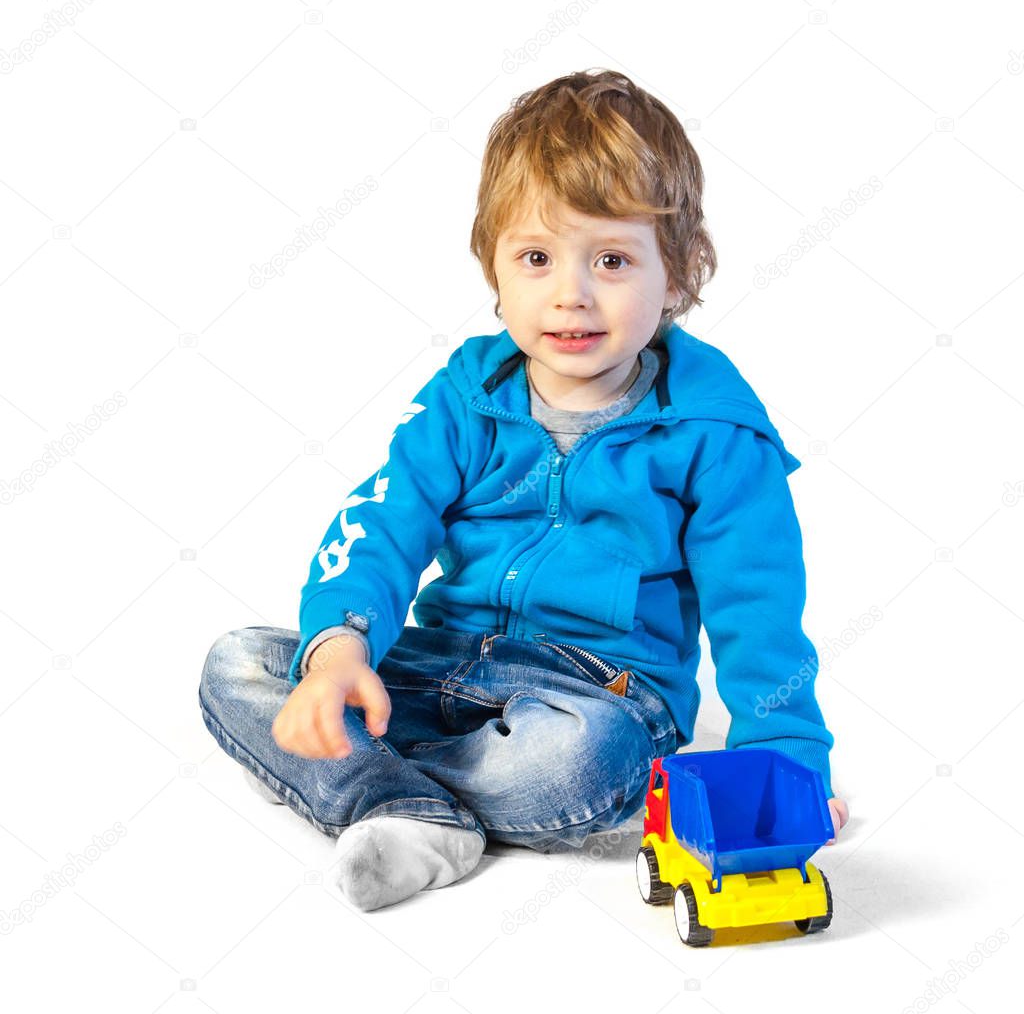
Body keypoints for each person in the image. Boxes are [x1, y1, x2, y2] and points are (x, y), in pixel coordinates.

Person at [199, 68, 849, 913]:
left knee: (591, 759)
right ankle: (412, 807)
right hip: (437, 663)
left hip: (595, 696)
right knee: (238, 663)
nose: (570, 293)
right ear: (494, 269)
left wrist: (787, 772)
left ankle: (381, 791)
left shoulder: (716, 433)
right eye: (537, 257)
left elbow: (759, 614)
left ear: (679, 273)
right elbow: (383, 525)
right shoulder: (465, 396)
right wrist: (338, 651)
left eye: (612, 259)